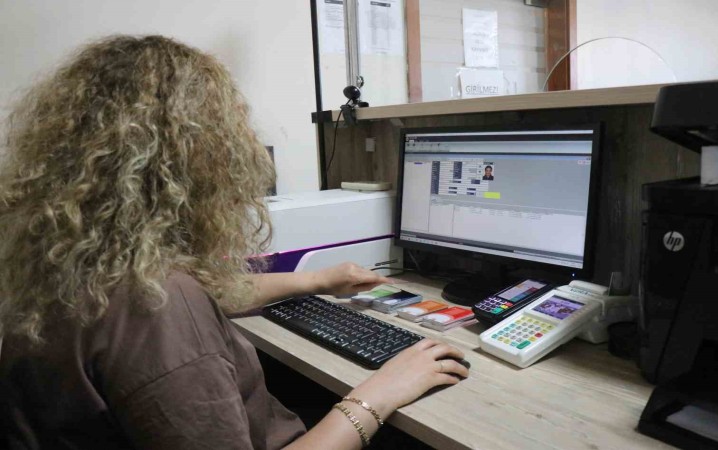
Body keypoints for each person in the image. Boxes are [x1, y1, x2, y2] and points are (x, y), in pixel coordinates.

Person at [0, 35, 468, 450]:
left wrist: (318, 280)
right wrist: (378, 394)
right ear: (200, 157)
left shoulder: (73, 261)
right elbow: (172, 311)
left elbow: (211, 292)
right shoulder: (156, 308)